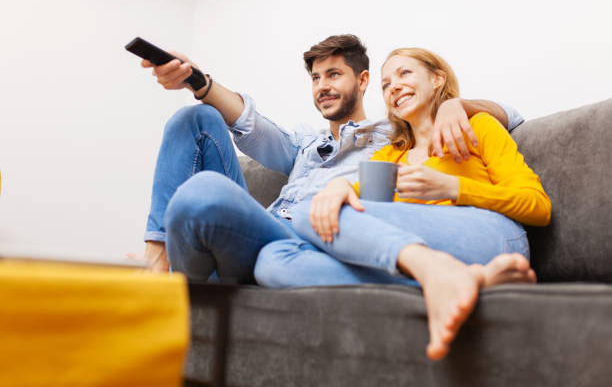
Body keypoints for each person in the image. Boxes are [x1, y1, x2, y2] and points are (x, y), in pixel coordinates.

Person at [137, 35, 523, 285]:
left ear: (364, 81)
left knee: (203, 195)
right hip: (263, 229)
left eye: (334, 74)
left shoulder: (395, 136)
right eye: (316, 78)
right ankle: (157, 261)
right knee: (197, 117)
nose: (323, 86)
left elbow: (513, 116)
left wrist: (460, 103)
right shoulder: (304, 144)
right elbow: (250, 125)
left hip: (310, 238)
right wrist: (197, 80)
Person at [256, 47, 551, 360]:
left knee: (305, 212)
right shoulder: (391, 155)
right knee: (272, 261)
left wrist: (454, 187)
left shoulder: (478, 126)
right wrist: (340, 185)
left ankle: (438, 272)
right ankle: (455, 279)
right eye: (385, 85)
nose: (393, 86)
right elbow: (349, 209)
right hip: (433, 253)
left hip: (493, 237)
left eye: (404, 74)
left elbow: (538, 207)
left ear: (438, 79)